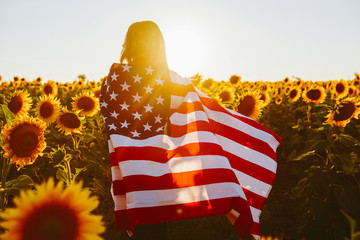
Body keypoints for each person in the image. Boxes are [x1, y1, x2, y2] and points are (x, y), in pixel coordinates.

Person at [100, 20, 170, 240]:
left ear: (129, 44)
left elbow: (107, 119)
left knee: (139, 227)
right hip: (158, 164)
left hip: (128, 164)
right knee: (157, 226)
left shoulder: (114, 77)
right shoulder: (166, 78)